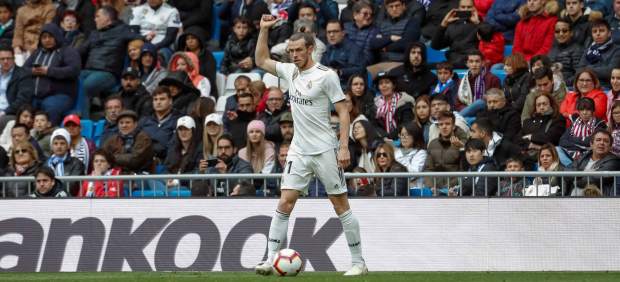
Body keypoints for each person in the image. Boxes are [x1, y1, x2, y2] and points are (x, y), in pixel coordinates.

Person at [254, 14, 367, 276]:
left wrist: (342, 146)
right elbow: (260, 60)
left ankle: (358, 262)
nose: (293, 55)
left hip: (326, 149)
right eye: (290, 51)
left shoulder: (326, 76)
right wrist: (262, 30)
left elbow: (343, 111)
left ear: (310, 49)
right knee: (285, 203)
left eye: (298, 50)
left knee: (340, 205)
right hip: (299, 150)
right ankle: (271, 259)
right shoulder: (289, 71)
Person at [78, 6, 137, 118]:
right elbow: (80, 51)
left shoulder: (122, 30)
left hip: (108, 72)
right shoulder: (94, 33)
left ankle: (83, 121)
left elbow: (137, 38)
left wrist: (147, 37)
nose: (95, 20)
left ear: (107, 17)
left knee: (86, 86)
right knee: (73, 80)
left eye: (97, 16)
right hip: (89, 70)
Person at [24, 23, 81, 125]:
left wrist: (49, 71)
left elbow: (74, 70)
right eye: (44, 37)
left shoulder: (67, 51)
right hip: (35, 96)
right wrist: (32, 71)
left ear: (57, 36)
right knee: (24, 110)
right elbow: (23, 70)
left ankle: (49, 136)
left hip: (60, 95)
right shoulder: (37, 53)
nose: (47, 40)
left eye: (50, 37)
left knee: (50, 108)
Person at [424, 111, 468, 194]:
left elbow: (464, 171)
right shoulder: (433, 144)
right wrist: (431, 187)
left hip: (455, 189)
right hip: (435, 189)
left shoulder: (463, 143)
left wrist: (462, 148)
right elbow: (428, 169)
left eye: (447, 124)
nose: (444, 127)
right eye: (441, 124)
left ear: (454, 126)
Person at [431, 0, 481, 68]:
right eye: (463, 7)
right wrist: (443, 24)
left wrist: (478, 23)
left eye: (469, 7)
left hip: (472, 62)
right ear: (458, 8)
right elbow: (435, 46)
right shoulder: (452, 24)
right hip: (453, 61)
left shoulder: (480, 23)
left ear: (474, 8)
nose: (465, 10)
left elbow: (487, 40)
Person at [102, 110, 154, 175]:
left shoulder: (143, 138)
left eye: (128, 122)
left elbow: (134, 160)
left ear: (135, 124)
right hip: (117, 175)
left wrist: (112, 157)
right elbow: (102, 156)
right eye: (121, 123)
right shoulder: (112, 139)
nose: (124, 125)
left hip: (140, 175)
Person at [138, 86, 182, 160]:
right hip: (142, 160)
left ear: (170, 101)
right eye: (155, 99)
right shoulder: (144, 120)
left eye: (162, 99)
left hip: (166, 161)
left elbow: (174, 147)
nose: (158, 102)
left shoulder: (179, 120)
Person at [519, 92, 567, 161]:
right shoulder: (528, 122)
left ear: (551, 104)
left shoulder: (558, 119)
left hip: (550, 157)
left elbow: (550, 138)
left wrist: (531, 138)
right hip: (528, 157)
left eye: (544, 104)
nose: (541, 107)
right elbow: (519, 139)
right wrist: (534, 143)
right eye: (538, 105)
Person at [571, 129, 620, 196]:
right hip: (572, 198)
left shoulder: (614, 161)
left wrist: (575, 180)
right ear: (591, 144)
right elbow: (568, 170)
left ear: (610, 147)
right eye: (598, 140)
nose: (602, 143)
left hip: (598, 200)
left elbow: (593, 179)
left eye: (606, 141)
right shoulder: (584, 157)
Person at [559, 97, 607, 162]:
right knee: (557, 149)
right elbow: (562, 141)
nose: (584, 112)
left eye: (588, 110)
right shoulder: (575, 122)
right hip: (571, 154)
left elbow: (591, 142)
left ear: (593, 111)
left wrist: (572, 139)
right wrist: (581, 146)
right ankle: (571, 168)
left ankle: (571, 169)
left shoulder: (599, 124)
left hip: (590, 156)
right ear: (578, 111)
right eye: (582, 110)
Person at [575, 18, 620, 87]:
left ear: (609, 33)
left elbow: (610, 72)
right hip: (586, 86)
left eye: (601, 31)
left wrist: (588, 69)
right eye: (594, 31)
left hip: (605, 87)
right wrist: (598, 69)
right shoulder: (589, 50)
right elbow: (578, 71)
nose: (598, 34)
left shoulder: (617, 50)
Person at [321, 20, 366, 87]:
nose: (331, 35)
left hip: (348, 87)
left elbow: (360, 70)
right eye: (329, 32)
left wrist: (340, 72)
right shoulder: (327, 48)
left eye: (335, 31)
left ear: (343, 33)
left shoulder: (353, 48)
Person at [163, 116, 203, 192]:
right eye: (180, 129)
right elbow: (166, 169)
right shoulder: (173, 149)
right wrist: (167, 179)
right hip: (170, 183)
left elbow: (198, 172)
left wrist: (177, 181)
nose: (183, 132)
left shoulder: (199, 149)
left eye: (186, 129)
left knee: (171, 191)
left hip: (187, 186)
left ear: (193, 131)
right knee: (151, 180)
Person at [456, 50, 501, 117]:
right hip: (467, 114)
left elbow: (495, 101)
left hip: (485, 114)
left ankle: (456, 119)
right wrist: (469, 110)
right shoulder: (462, 81)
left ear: (483, 63)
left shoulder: (493, 79)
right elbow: (458, 102)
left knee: (480, 102)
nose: (474, 64)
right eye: (471, 61)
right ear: (467, 64)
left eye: (477, 61)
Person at [176, 26, 217, 98]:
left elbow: (210, 79)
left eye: (193, 38)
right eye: (187, 39)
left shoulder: (208, 56)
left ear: (199, 39)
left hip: (205, 91)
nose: (190, 41)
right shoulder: (182, 56)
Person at [373, 71, 415, 139]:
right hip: (383, 140)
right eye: (381, 83)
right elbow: (374, 125)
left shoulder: (405, 101)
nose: (384, 86)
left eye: (387, 82)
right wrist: (384, 137)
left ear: (394, 85)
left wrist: (390, 137)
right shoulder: (374, 104)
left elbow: (406, 123)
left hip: (402, 139)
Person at [0, 44, 33, 123]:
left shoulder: (23, 74)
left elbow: (23, 100)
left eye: (8, 58)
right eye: (2, 59)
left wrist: (4, 112)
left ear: (14, 58)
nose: (5, 61)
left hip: (10, 113)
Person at [47, 128, 85, 195]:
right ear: (51, 146)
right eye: (55, 144)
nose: (59, 146)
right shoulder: (46, 164)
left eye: (62, 143)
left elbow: (72, 185)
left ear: (68, 146)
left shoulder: (76, 163)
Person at [548, 18, 584, 83]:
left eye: (564, 31)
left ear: (571, 33)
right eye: (557, 31)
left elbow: (579, 74)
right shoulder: (552, 49)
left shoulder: (577, 50)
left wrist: (564, 83)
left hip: (569, 87)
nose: (561, 34)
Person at [394, 122, 427, 188]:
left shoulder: (421, 153)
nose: (404, 137)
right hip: (397, 188)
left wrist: (399, 161)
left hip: (415, 190)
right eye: (402, 134)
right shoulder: (396, 152)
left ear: (415, 135)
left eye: (407, 134)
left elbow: (413, 174)